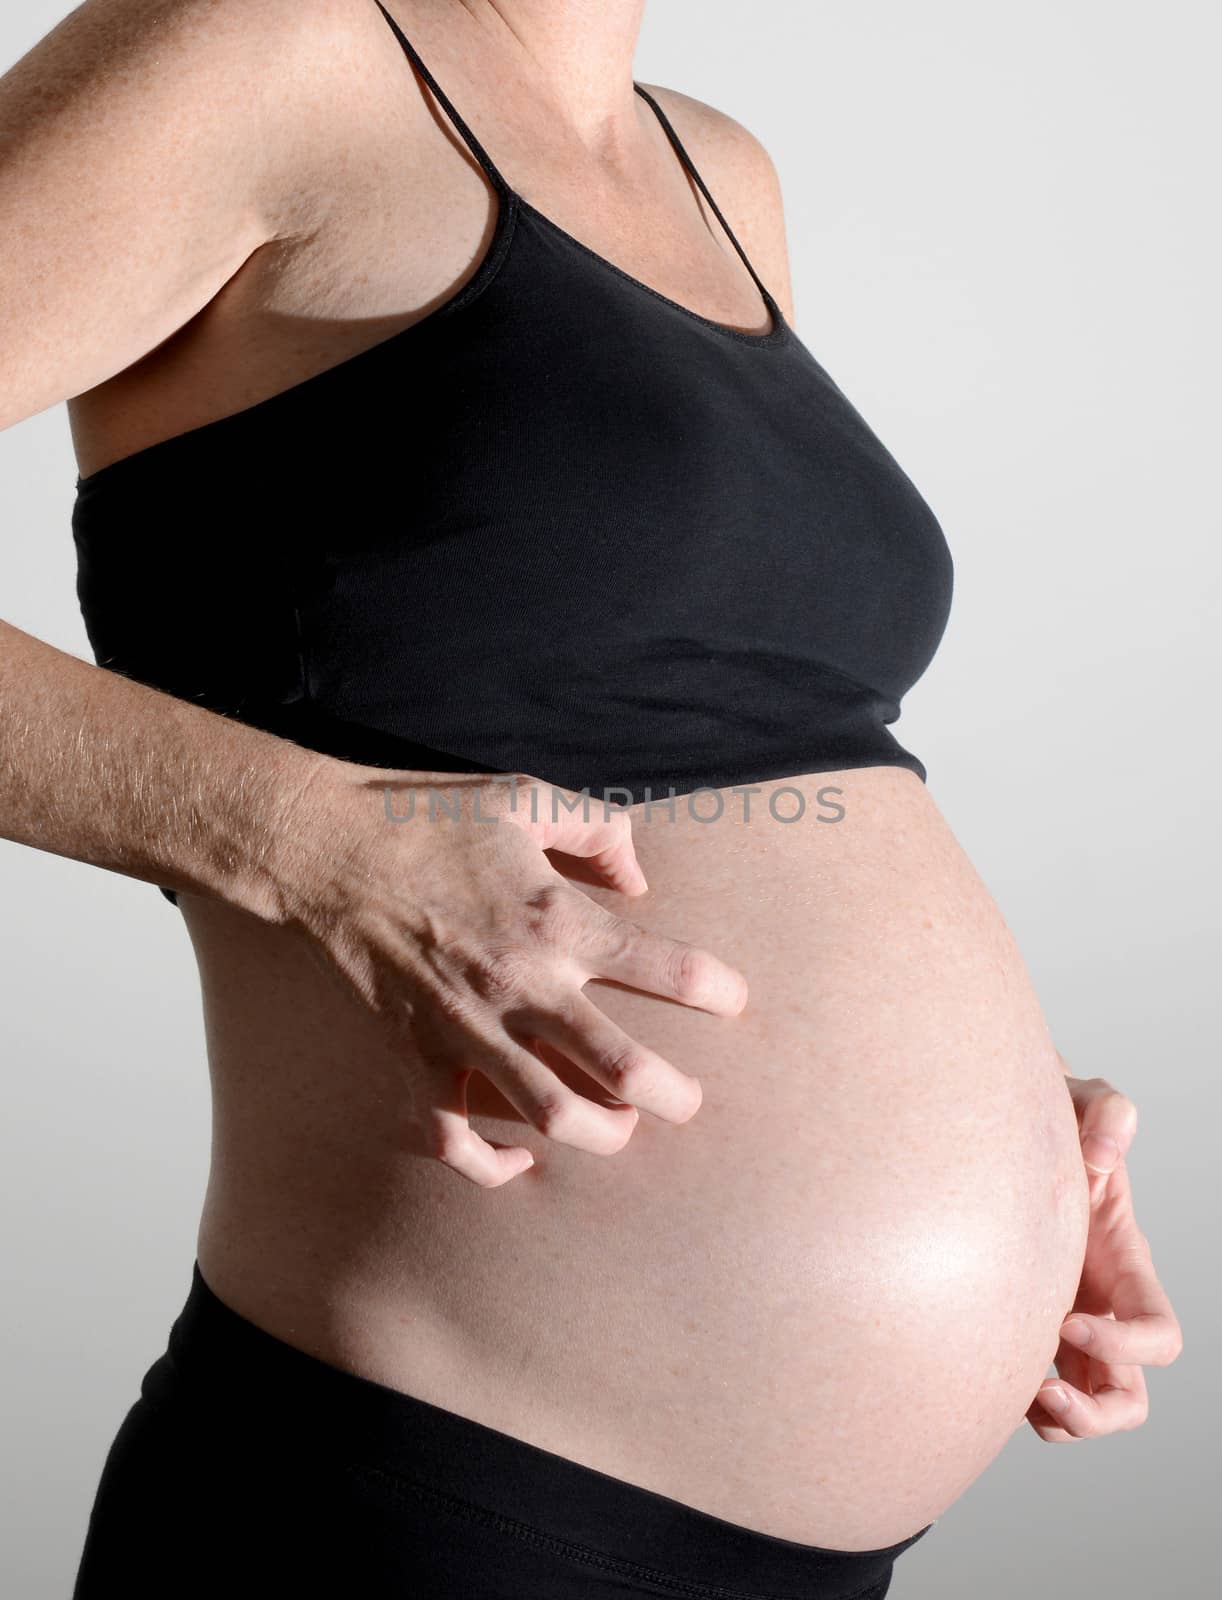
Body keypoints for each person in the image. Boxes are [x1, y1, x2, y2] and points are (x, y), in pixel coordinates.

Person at [0, 2, 1182, 1595]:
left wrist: (1014, 1140)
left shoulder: (718, 168)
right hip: (435, 1498)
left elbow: (719, 715)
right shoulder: (265, 49)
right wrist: (314, 844)